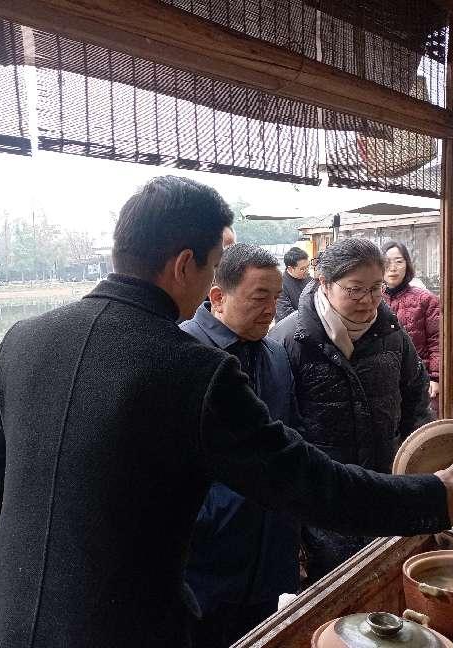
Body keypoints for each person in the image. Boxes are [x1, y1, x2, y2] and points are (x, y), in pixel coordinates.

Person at [0, 175, 453, 648]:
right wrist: (432, 496)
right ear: (184, 265)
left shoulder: (22, 340)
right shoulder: (191, 368)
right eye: (214, 265)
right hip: (121, 628)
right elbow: (304, 480)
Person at [269, 238, 434, 584]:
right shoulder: (289, 339)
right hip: (322, 504)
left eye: (376, 288)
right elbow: (279, 434)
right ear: (324, 283)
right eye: (355, 289)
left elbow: (416, 400)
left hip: (386, 486)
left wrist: (420, 466)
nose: (368, 300)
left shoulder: (392, 332)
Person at [181, 243, 304, 648]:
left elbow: (293, 440)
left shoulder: (275, 354)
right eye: (259, 297)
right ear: (218, 297)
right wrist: (213, 516)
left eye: (276, 297)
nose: (271, 310)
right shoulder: (181, 355)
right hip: (203, 564)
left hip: (269, 556)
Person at [382, 240, 441, 407]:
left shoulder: (426, 300)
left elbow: (437, 341)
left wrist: (435, 377)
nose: (393, 268)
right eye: (387, 262)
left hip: (417, 379)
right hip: (382, 380)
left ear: (407, 265)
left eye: (399, 261)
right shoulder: (372, 299)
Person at [275, 246, 313, 323]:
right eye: (302, 269)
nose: (306, 271)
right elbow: (285, 313)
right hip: (289, 325)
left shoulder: (309, 279)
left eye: (307, 267)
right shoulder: (279, 284)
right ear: (290, 269)